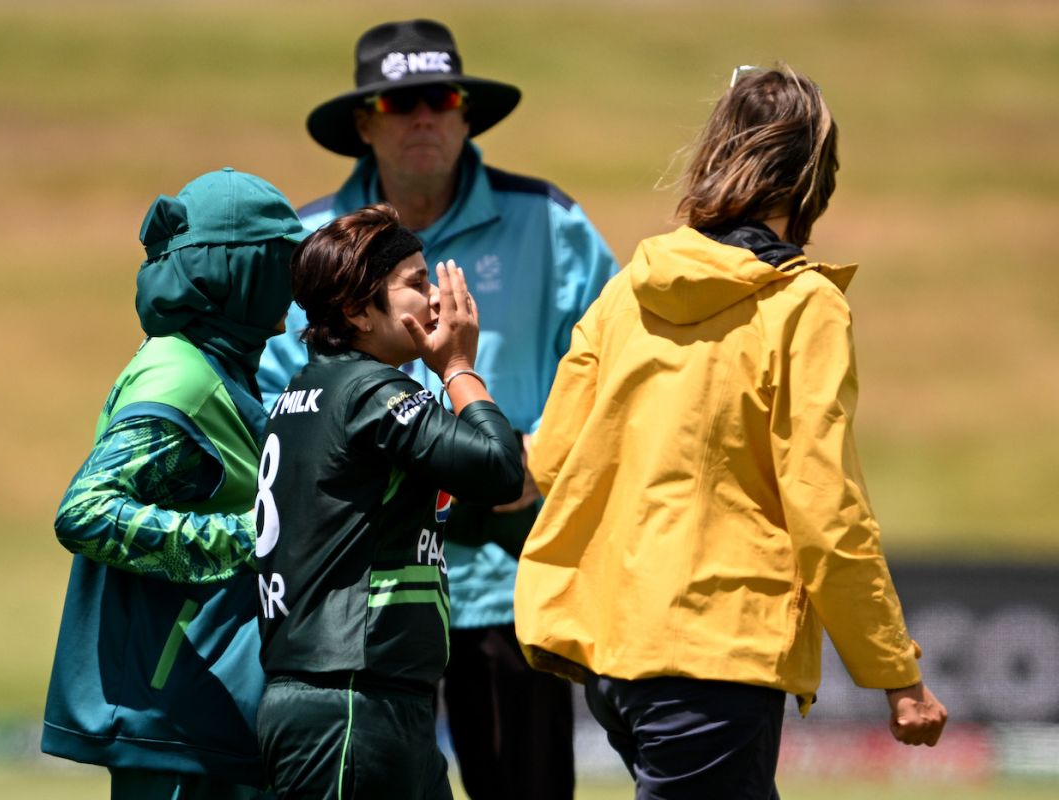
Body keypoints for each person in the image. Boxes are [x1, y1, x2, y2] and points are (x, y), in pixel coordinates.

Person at [514, 65, 948, 799]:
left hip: (613, 655)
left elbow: (551, 456)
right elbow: (826, 507)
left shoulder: (628, 291)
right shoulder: (804, 306)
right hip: (714, 659)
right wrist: (895, 674)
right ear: (815, 177)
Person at [257, 20, 617, 798]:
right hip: (357, 606)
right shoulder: (314, 240)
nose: (423, 115)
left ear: (464, 113)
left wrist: (537, 462)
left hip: (505, 583)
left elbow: (620, 378)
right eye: (399, 102)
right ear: (364, 122)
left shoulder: (549, 222)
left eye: (441, 97)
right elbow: (277, 400)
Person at [42, 167, 307, 799]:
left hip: (205, 716)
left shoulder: (212, 361)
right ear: (238, 269)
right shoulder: (182, 377)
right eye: (283, 261)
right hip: (176, 721)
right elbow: (85, 512)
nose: (295, 283)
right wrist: (250, 539)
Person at [251, 203, 524, 798]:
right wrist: (456, 366)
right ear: (355, 309)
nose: (437, 301)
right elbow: (500, 468)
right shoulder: (372, 392)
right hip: (351, 700)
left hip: (352, 699)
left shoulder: (305, 391)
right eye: (416, 284)